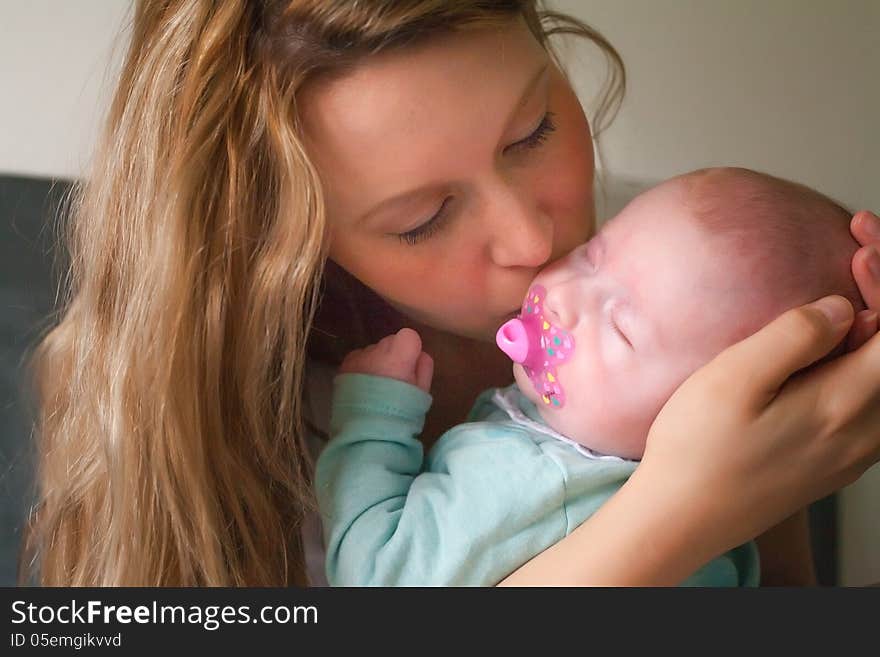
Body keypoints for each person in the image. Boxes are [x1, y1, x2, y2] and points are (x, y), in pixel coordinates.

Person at [23, 1, 880, 587]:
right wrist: (680, 511)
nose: (534, 242)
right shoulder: (224, 429)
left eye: (533, 132)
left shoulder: (672, 262)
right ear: (284, 239)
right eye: (424, 218)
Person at [315, 167, 861, 586]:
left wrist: (374, 420)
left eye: (622, 330)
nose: (564, 297)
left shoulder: (529, 480)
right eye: (591, 256)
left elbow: (377, 573)